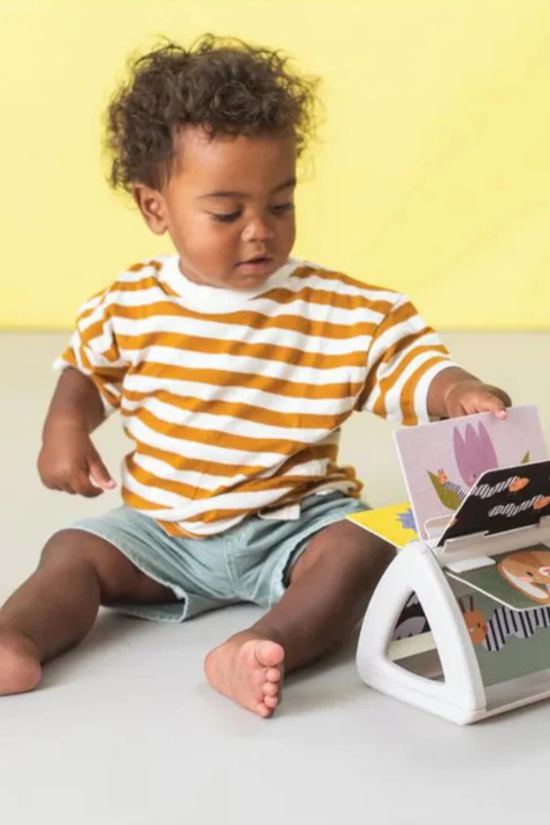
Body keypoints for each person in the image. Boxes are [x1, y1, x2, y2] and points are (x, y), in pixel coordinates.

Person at [0, 36, 511, 717]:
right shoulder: (129, 304)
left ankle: (262, 645)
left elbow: (403, 360)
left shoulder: (339, 309)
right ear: (155, 208)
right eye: (226, 212)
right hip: (163, 529)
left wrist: (456, 391)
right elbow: (88, 373)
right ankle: (17, 635)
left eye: (280, 205)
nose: (259, 231)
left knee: (362, 546)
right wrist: (65, 427)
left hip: (294, 523)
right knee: (73, 551)